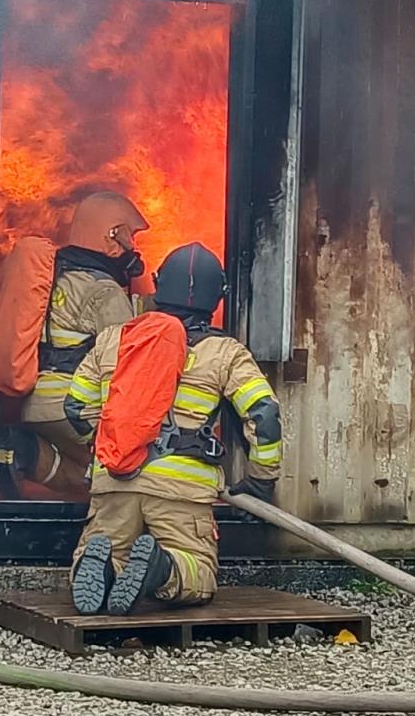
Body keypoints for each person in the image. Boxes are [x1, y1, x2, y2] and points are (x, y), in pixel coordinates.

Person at [62, 243, 283, 615]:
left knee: (105, 549)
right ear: (218, 296)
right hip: (181, 490)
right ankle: (161, 568)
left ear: (159, 286)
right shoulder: (225, 353)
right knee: (197, 576)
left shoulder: (113, 340)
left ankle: (99, 564)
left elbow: (76, 407)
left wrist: (108, 449)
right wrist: (260, 480)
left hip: (114, 481)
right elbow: (263, 415)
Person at [0, 191, 148, 497]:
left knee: (79, 467)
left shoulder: (53, 276)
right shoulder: (104, 291)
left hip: (34, 404)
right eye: (131, 237)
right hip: (75, 408)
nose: (135, 248)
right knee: (127, 470)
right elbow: (125, 363)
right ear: (112, 235)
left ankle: (25, 450)